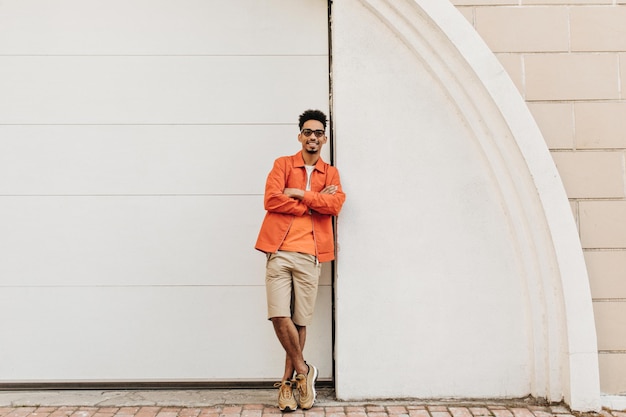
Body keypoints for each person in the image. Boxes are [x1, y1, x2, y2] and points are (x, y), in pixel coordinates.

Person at [255, 109, 346, 411]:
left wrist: (297, 194)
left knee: (299, 320)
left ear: (324, 138)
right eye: (307, 132)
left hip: (311, 254)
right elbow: (271, 199)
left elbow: (335, 204)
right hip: (279, 250)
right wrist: (310, 204)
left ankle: (287, 384)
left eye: (318, 133)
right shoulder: (283, 164)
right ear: (300, 136)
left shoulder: (330, 173)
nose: (312, 137)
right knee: (279, 315)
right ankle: (304, 372)